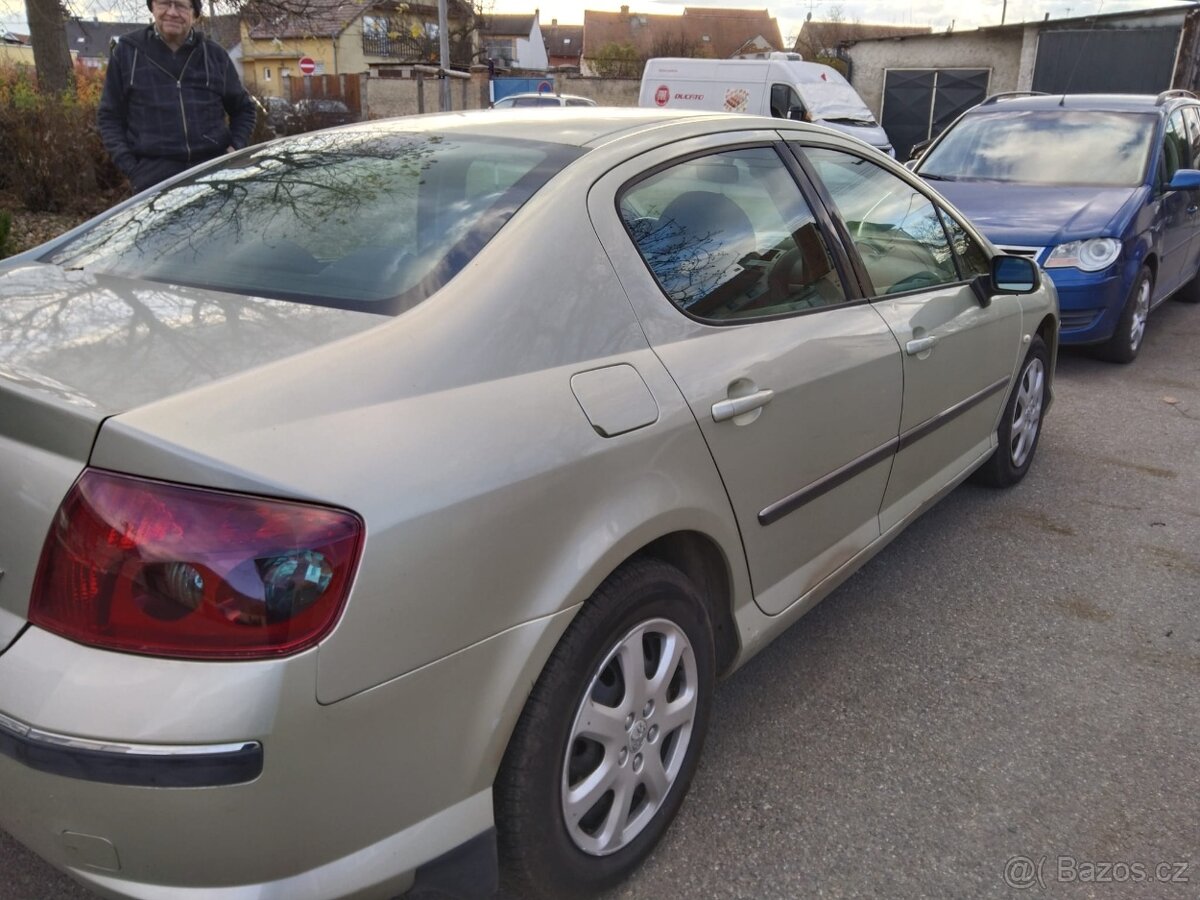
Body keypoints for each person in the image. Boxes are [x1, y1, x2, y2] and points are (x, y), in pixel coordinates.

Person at [98, 0, 256, 193]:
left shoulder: (215, 56)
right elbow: (109, 117)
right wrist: (132, 168)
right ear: (152, 7)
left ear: (194, 13)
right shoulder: (127, 53)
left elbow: (244, 109)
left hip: (214, 175)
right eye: (164, 3)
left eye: (181, 5)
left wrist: (233, 150)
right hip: (153, 182)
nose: (172, 12)